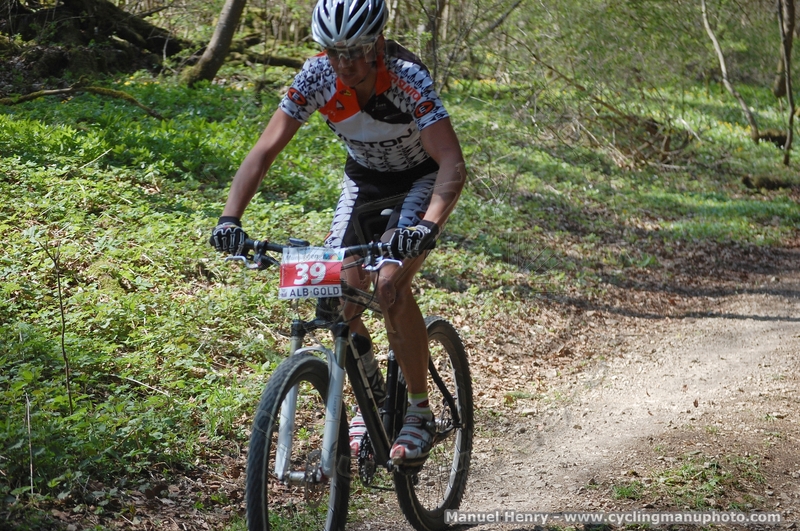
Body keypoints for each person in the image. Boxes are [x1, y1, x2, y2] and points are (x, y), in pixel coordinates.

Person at [210, 0, 466, 467]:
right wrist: (230, 218)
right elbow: (264, 150)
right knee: (339, 294)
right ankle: (373, 401)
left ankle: (418, 411)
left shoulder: (407, 77)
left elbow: (451, 160)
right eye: (333, 51)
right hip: (364, 181)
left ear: (378, 45)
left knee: (388, 283)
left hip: (419, 180)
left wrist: (427, 226)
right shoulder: (316, 77)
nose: (344, 63)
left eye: (355, 51)